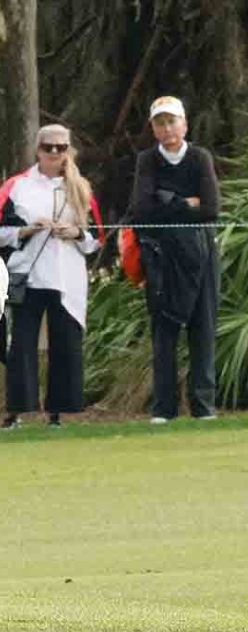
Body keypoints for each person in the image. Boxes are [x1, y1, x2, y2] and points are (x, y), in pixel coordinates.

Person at [0, 125, 103, 428]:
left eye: (61, 147)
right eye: (48, 147)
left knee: (65, 343)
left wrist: (75, 232)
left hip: (68, 278)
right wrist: (28, 230)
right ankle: (18, 410)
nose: (54, 153)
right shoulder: (17, 186)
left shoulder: (81, 188)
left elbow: (97, 237)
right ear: (38, 150)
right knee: (20, 344)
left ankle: (60, 411)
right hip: (28, 275)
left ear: (69, 150)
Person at [129, 96, 221, 423]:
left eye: (172, 121)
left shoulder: (199, 157)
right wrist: (187, 203)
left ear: (184, 124)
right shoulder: (147, 160)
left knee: (203, 327)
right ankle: (164, 409)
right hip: (162, 255)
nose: (167, 128)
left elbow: (211, 208)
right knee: (164, 331)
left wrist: (167, 200)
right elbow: (141, 210)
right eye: (160, 123)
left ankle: (203, 406)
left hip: (201, 251)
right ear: (153, 128)